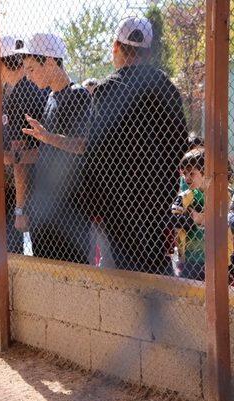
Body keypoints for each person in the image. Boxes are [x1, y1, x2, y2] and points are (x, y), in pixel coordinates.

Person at [86, 17, 189, 275]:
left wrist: (96, 208)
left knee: (117, 281)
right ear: (149, 52)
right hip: (155, 207)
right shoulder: (167, 90)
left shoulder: (106, 91)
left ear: (116, 47)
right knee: (156, 276)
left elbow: (95, 155)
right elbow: (179, 147)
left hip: (116, 212)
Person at [20, 33, 92, 264]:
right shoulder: (50, 97)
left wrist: (47, 137)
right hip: (45, 211)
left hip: (70, 212)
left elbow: (83, 145)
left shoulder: (77, 95)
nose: (28, 76)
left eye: (31, 68)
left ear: (50, 61)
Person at [0, 35, 48, 253]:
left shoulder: (21, 94)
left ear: (1, 62)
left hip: (36, 192)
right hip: (48, 187)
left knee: (46, 256)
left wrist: (19, 208)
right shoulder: (27, 87)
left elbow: (20, 158)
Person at [171, 147, 233, 280]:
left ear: (206, 172)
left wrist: (200, 218)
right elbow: (176, 213)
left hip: (221, 257)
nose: (186, 178)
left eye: (191, 173)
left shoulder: (223, 192)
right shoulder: (194, 193)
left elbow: (217, 218)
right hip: (195, 257)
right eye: (184, 174)